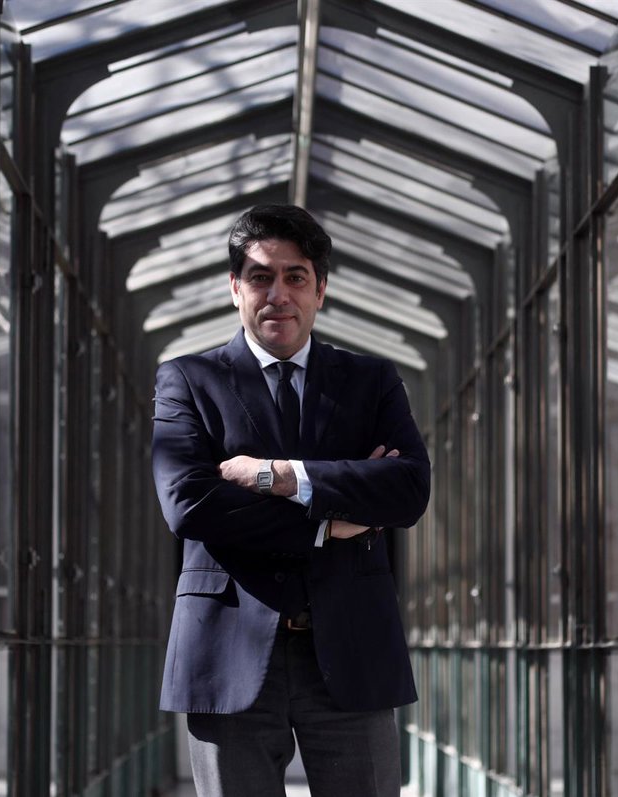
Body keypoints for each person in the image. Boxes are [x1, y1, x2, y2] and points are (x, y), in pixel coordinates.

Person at [151, 204, 431, 796]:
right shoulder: (188, 380)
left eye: (295, 277)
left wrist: (279, 476)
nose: (278, 294)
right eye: (260, 277)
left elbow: (407, 490)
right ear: (235, 288)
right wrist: (328, 522)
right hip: (227, 650)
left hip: (352, 649)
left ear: (320, 290)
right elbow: (189, 504)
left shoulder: (372, 381)